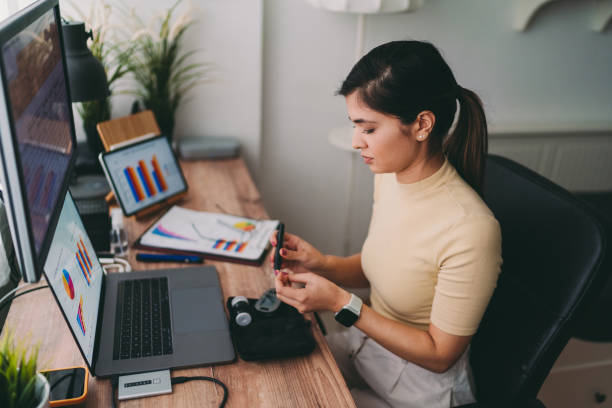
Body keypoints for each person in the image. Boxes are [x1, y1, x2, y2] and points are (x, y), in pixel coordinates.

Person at [270, 40, 502, 408]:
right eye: (355, 126)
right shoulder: (390, 176)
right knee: (275, 378)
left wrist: (339, 302)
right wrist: (322, 265)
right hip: (368, 352)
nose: (355, 142)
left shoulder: (471, 229)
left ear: (422, 125)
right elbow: (382, 268)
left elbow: (440, 355)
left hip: (420, 390)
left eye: (369, 129)